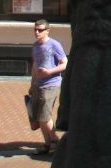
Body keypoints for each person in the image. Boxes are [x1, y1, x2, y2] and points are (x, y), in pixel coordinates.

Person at [28, 18, 66, 154]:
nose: (37, 32)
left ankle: (55, 141)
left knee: (45, 116)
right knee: (39, 117)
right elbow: (35, 65)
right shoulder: (35, 46)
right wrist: (32, 84)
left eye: (40, 30)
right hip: (38, 85)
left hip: (51, 85)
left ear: (47, 31)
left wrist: (49, 71)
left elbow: (65, 63)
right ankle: (47, 144)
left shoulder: (54, 45)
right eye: (35, 30)